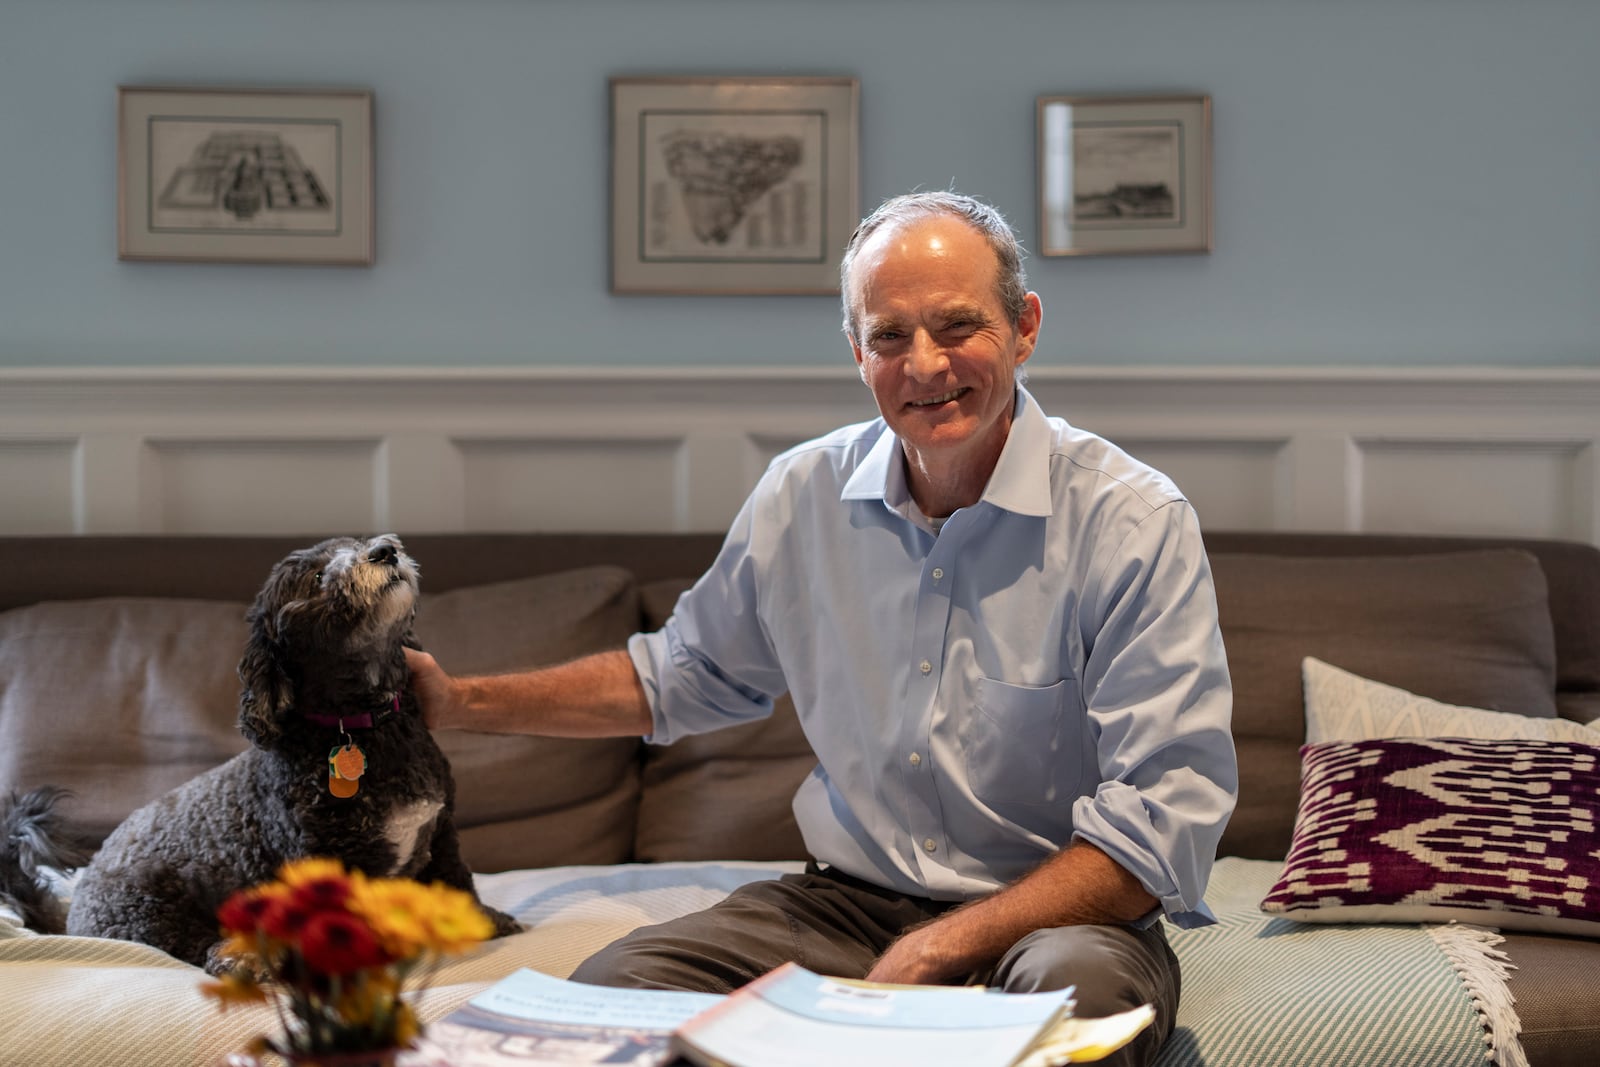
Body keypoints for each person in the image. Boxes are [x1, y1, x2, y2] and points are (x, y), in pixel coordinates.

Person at [405, 190, 1236, 1067]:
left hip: (1058, 919)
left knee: (1076, 1019)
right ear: (857, 349)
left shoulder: (1132, 521)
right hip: (843, 907)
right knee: (615, 997)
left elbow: (1160, 826)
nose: (924, 364)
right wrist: (456, 700)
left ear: (1024, 327)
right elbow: (679, 678)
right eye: (889, 335)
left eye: (957, 326)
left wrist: (938, 947)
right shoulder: (800, 497)